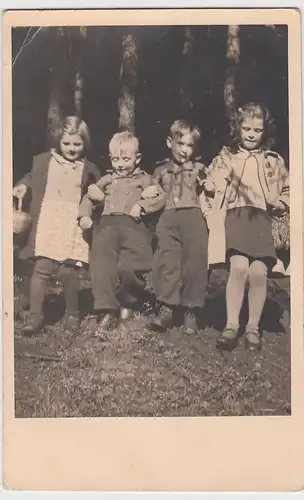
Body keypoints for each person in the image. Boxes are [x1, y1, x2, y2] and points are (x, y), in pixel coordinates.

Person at [207, 102, 289, 351]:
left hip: (262, 221)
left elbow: (289, 187)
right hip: (236, 217)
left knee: (258, 272)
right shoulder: (226, 157)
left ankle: (253, 327)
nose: (251, 134)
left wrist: (283, 203)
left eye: (257, 129)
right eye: (246, 129)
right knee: (239, 267)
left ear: (265, 131)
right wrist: (210, 184)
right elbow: (210, 178)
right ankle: (232, 325)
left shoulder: (274, 160)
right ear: (237, 129)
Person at [13, 116, 100, 336]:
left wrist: (97, 199)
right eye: (67, 143)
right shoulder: (44, 161)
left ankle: (72, 313)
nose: (72, 148)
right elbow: (31, 177)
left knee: (67, 270)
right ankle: (35, 315)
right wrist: (23, 185)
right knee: (42, 268)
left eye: (77, 144)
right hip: (48, 221)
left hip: (72, 224)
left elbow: (97, 193)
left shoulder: (88, 168)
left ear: (85, 143)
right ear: (58, 141)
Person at [78, 131, 166, 333]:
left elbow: (161, 197)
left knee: (130, 268)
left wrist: (143, 205)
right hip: (107, 227)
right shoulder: (107, 179)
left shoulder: (145, 179)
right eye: (115, 159)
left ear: (138, 158)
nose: (120, 164)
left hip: (134, 228)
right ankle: (106, 308)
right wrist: (85, 215)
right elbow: (89, 197)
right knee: (101, 264)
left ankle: (128, 301)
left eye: (126, 159)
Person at [148, 119, 213, 335]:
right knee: (168, 260)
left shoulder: (199, 169)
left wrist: (210, 185)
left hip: (194, 218)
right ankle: (166, 308)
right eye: (180, 144)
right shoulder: (160, 170)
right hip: (167, 217)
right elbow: (150, 193)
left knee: (195, 261)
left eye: (190, 145)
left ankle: (191, 309)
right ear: (170, 142)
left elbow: (210, 188)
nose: (185, 150)